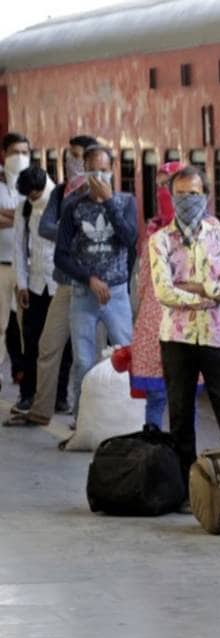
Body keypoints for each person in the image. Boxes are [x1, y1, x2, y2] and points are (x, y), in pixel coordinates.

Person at [148, 164, 220, 505]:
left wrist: (202, 288)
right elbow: (164, 292)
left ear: (205, 195)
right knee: (180, 415)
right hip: (176, 339)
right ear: (171, 196)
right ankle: (185, 492)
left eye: (193, 194)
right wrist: (210, 297)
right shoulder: (160, 240)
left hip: (216, 338)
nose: (187, 200)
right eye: (180, 194)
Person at [7, 134, 95, 426]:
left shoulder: (68, 197)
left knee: (72, 349)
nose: (32, 200)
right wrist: (21, 284)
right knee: (37, 343)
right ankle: (32, 398)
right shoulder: (37, 203)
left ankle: (65, 401)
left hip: (70, 284)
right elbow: (24, 244)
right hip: (41, 284)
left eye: (77, 156)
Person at [54, 145, 137, 423]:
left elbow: (129, 239)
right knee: (83, 361)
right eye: (93, 171)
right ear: (84, 172)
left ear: (112, 170)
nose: (99, 176)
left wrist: (109, 202)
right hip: (83, 293)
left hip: (117, 294)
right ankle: (82, 419)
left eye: (104, 170)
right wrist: (88, 279)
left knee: (126, 354)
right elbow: (61, 256)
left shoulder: (126, 202)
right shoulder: (73, 207)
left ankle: (130, 416)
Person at [130, 160, 184, 429]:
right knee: (158, 395)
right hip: (155, 321)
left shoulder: (206, 230)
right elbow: (143, 281)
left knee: (181, 396)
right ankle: (155, 444)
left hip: (186, 323)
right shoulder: (153, 229)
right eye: (160, 186)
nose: (163, 192)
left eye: (169, 185)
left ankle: (179, 448)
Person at [9, 166, 56, 416]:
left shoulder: (60, 202)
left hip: (60, 285)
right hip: (36, 285)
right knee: (31, 341)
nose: (31, 199)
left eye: (34, 195)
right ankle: (27, 394)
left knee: (62, 346)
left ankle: (59, 397)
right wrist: (22, 284)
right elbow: (19, 247)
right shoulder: (24, 208)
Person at [0, 132, 32, 395]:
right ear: (4, 154)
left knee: (25, 326)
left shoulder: (36, 182)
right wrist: (21, 216)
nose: (20, 157)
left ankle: (25, 377)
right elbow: (27, 217)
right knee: (0, 325)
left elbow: (36, 217)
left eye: (24, 152)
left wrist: (9, 215)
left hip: (28, 267)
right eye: (14, 152)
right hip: (0, 265)